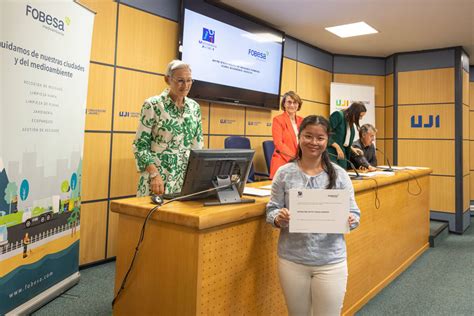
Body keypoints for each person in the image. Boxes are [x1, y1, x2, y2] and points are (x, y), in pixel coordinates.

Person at [266, 115, 360, 316]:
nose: (314, 142)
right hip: (292, 260)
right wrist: (277, 217)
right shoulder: (284, 173)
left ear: (327, 141)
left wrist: (351, 220)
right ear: (299, 137)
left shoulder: (340, 174)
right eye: (308, 136)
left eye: (320, 138)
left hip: (331, 261)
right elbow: (271, 209)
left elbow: (354, 212)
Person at [133, 60, 203, 196]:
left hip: (184, 181)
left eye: (189, 80)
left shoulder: (195, 108)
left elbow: (197, 147)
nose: (186, 85)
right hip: (157, 179)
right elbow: (140, 146)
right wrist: (153, 174)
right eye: (181, 80)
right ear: (167, 79)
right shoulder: (153, 105)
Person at [269, 91, 304, 178]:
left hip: (299, 163)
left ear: (298, 105)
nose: (292, 105)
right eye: (289, 102)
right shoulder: (278, 120)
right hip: (283, 162)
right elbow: (279, 143)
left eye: (295, 102)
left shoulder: (302, 121)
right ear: (284, 104)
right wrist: (295, 159)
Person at [328, 101, 367, 169]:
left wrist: (352, 149)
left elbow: (344, 141)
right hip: (331, 152)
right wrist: (337, 147)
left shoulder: (350, 123)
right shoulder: (338, 115)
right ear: (354, 113)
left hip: (342, 152)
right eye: (360, 116)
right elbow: (325, 133)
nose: (360, 118)